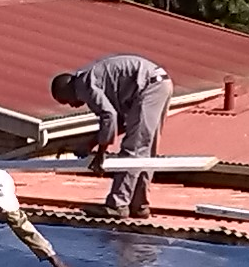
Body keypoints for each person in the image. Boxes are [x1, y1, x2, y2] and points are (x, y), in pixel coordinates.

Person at [49, 54, 172, 218]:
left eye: (66, 101)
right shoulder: (94, 80)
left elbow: (109, 116)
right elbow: (120, 122)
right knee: (146, 150)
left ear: (67, 89)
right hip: (161, 83)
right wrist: (91, 143)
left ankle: (118, 204)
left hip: (148, 87)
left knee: (133, 150)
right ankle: (139, 204)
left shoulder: (85, 86)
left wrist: (100, 154)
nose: (72, 105)